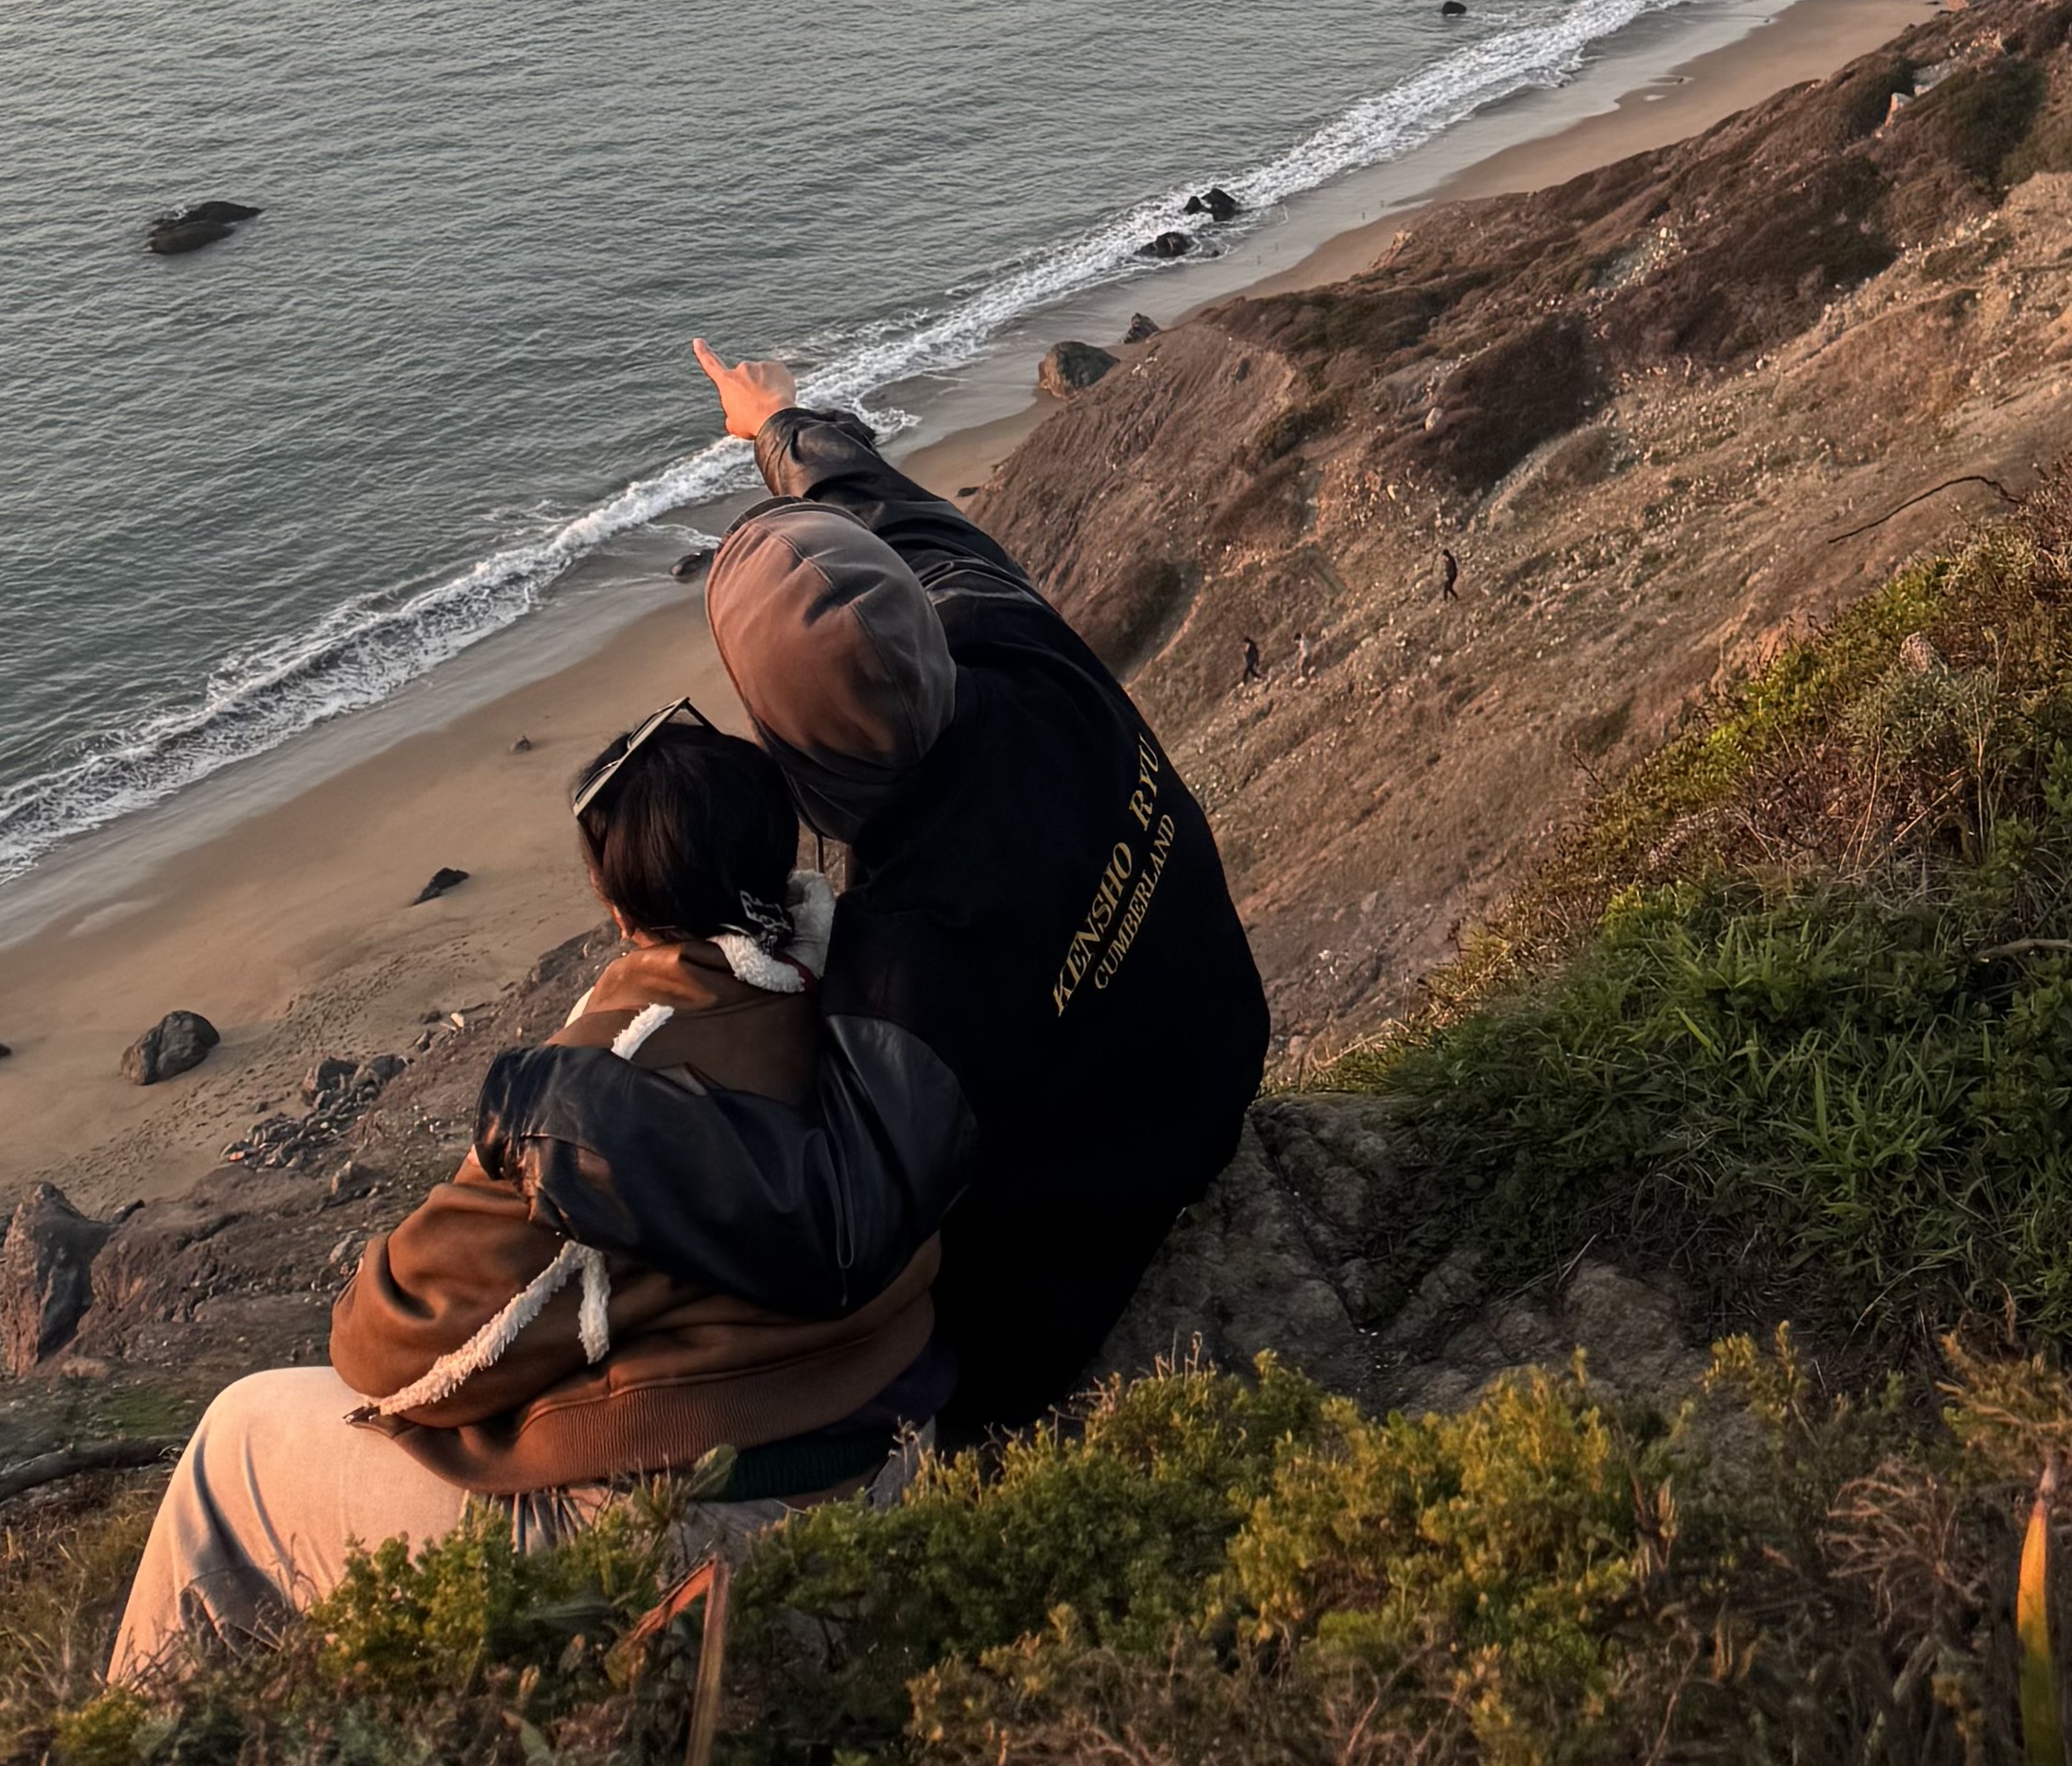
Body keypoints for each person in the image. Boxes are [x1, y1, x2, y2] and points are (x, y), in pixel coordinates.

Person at [467, 341, 1269, 1442]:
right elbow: (876, 507)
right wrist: (775, 428)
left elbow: (837, 1221)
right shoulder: (1008, 636)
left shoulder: (906, 956)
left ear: (781, 743)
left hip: (1083, 1265)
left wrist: (552, 1107)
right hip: (1213, 1064)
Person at [108, 701, 941, 1674]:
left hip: (726, 1532)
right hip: (897, 1451)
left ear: (616, 901)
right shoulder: (866, 975)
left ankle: (149, 1730)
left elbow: (397, 1348)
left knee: (235, 1444)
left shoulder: (611, 1088)